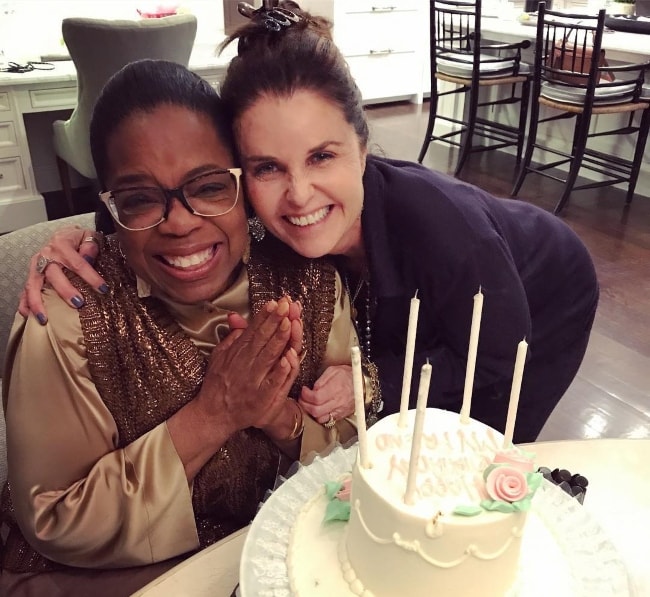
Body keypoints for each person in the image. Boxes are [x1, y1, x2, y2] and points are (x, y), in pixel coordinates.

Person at [20, 1, 598, 445]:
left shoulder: (445, 225)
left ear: (364, 147)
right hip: (440, 306)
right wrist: (76, 243)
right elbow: (151, 194)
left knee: (474, 450)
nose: (297, 196)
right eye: (268, 166)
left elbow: (498, 350)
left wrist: (372, 382)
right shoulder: (242, 204)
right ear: (239, 174)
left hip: (541, 295)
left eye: (323, 156)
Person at [0, 59, 364, 596]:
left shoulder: (307, 278)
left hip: (270, 550)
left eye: (209, 187)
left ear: (243, 182)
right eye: (140, 199)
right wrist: (213, 414)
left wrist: (276, 413)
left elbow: (350, 441)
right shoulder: (71, 317)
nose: (179, 221)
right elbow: (55, 517)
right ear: (111, 207)